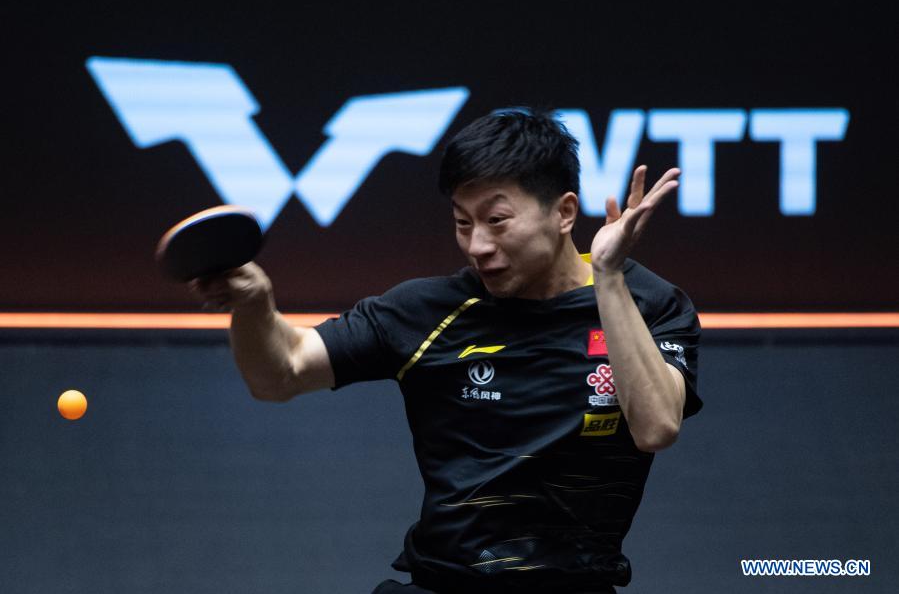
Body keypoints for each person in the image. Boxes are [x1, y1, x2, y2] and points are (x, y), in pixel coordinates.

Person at [192, 108, 701, 593]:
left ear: (564, 212)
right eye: (462, 222)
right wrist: (254, 305)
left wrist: (608, 278)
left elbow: (656, 427)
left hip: (575, 586)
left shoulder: (647, 303)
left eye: (497, 220)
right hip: (443, 585)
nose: (478, 245)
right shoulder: (428, 310)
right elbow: (280, 373)